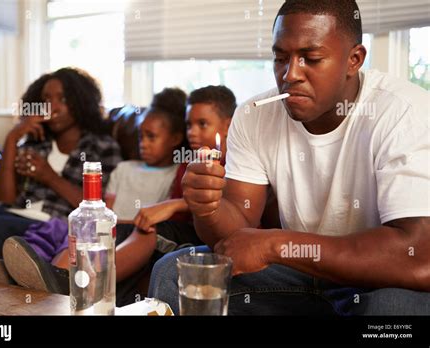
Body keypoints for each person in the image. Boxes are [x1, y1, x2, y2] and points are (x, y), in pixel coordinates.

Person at [148, 0, 430, 315]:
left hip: (378, 278)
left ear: (354, 59)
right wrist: (207, 209)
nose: (290, 74)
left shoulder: (403, 112)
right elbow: (234, 237)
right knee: (173, 273)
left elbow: (418, 256)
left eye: (311, 58)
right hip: (298, 274)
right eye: (281, 58)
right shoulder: (255, 115)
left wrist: (275, 245)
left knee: (396, 308)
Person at [0, 86, 238, 306]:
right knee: (86, 233)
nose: (192, 132)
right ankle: (50, 277)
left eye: (202, 124)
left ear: (227, 125)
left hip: (183, 232)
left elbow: (222, 204)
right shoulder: (188, 161)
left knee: (147, 229)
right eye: (188, 125)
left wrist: (171, 205)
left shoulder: (235, 162)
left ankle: (64, 284)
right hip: (151, 224)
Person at [0, 67, 122, 278]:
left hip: (50, 229)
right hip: (14, 215)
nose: (52, 106)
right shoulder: (35, 143)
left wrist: (49, 176)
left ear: (79, 102)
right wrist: (12, 138)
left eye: (62, 99)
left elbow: (99, 209)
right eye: (46, 98)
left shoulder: (102, 147)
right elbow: (4, 198)